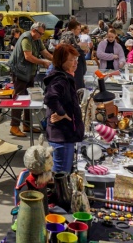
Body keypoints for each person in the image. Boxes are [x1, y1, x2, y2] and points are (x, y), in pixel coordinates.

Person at [44, 44, 85, 173]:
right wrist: (62, 113)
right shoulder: (60, 79)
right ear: (61, 61)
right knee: (61, 176)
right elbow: (50, 98)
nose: (75, 63)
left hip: (63, 134)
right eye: (71, 60)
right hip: (62, 136)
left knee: (61, 174)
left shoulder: (65, 77)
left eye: (76, 59)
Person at [7, 22, 52, 137]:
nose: (41, 36)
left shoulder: (37, 39)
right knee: (19, 98)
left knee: (29, 99)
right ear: (34, 30)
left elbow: (45, 53)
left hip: (29, 73)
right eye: (40, 33)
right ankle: (14, 126)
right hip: (19, 73)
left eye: (42, 34)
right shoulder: (26, 38)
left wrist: (57, 60)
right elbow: (28, 56)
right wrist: (43, 62)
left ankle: (26, 125)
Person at [58, 20, 87, 89]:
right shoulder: (68, 35)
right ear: (72, 29)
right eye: (78, 29)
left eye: (80, 29)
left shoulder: (76, 37)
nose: (79, 31)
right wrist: (80, 47)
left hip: (77, 64)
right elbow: (67, 48)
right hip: (71, 65)